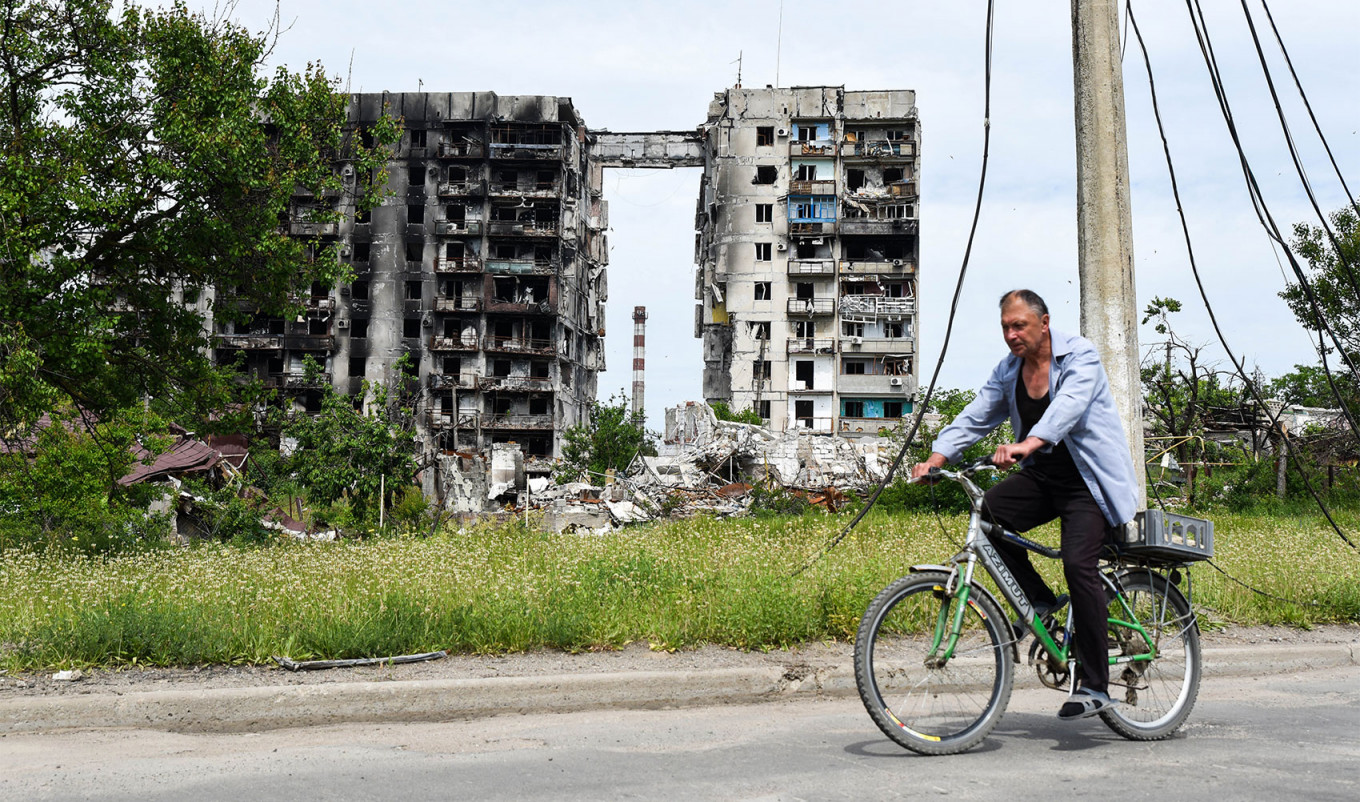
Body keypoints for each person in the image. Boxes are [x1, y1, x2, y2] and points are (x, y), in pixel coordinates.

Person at [911, 289, 1139, 720]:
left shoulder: (1080, 358)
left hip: (1088, 482)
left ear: (1044, 323)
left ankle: (1094, 685)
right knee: (990, 516)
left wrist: (1028, 443)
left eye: (1020, 325)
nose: (1012, 334)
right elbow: (977, 415)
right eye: (1005, 327)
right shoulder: (1009, 370)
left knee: (1078, 564)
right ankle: (1038, 602)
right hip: (1042, 477)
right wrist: (937, 458)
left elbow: (1068, 408)